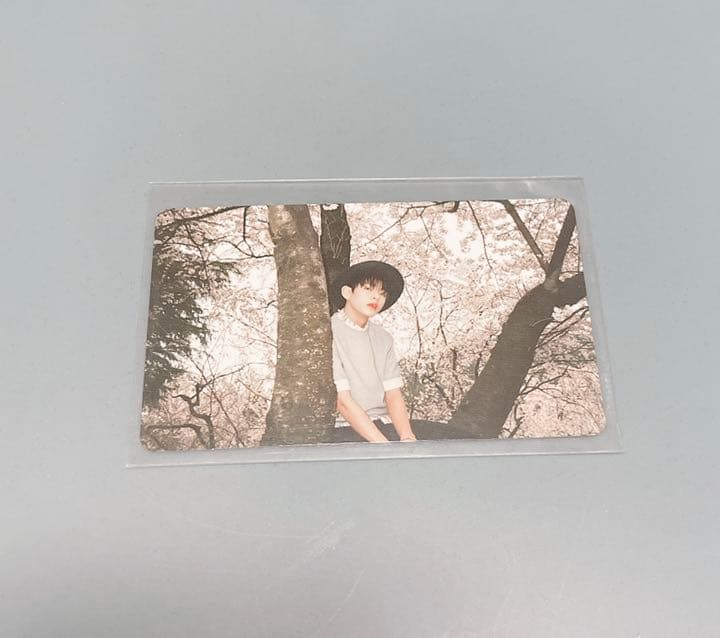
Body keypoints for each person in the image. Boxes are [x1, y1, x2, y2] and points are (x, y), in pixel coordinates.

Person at [330, 260, 417, 443]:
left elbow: (393, 394)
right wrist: (384, 446)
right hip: (346, 428)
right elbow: (342, 401)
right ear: (347, 292)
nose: (376, 297)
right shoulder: (329, 332)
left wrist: (408, 438)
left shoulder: (383, 338)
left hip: (384, 423)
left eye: (382, 293)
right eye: (368, 289)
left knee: (453, 439)